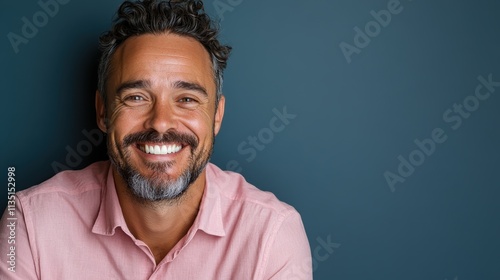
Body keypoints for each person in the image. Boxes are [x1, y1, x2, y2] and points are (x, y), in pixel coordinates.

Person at [0, 0, 312, 279]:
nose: (160, 122)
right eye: (136, 97)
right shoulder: (30, 223)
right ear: (103, 112)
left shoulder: (272, 235)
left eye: (187, 99)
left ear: (216, 116)